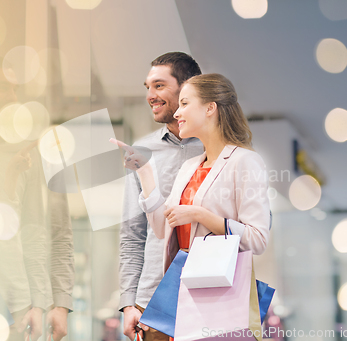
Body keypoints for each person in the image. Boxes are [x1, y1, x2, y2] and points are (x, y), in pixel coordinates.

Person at [114, 72, 270, 311]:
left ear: (210, 108)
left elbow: (257, 240)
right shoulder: (190, 167)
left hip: (219, 299)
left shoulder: (245, 161)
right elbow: (162, 228)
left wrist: (200, 215)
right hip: (181, 296)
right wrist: (145, 172)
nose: (177, 113)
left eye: (185, 104)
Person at [0, 55, 74, 341]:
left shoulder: (34, 150)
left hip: (21, 309)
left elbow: (52, 232)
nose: (12, 98)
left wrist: (58, 302)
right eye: (3, 88)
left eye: (15, 90)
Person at [118, 52, 204, 341]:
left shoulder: (221, 148)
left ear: (188, 88)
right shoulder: (142, 152)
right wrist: (129, 301)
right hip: (152, 303)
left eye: (159, 85)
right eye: (147, 87)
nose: (150, 95)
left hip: (210, 299)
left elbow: (254, 225)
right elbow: (133, 233)